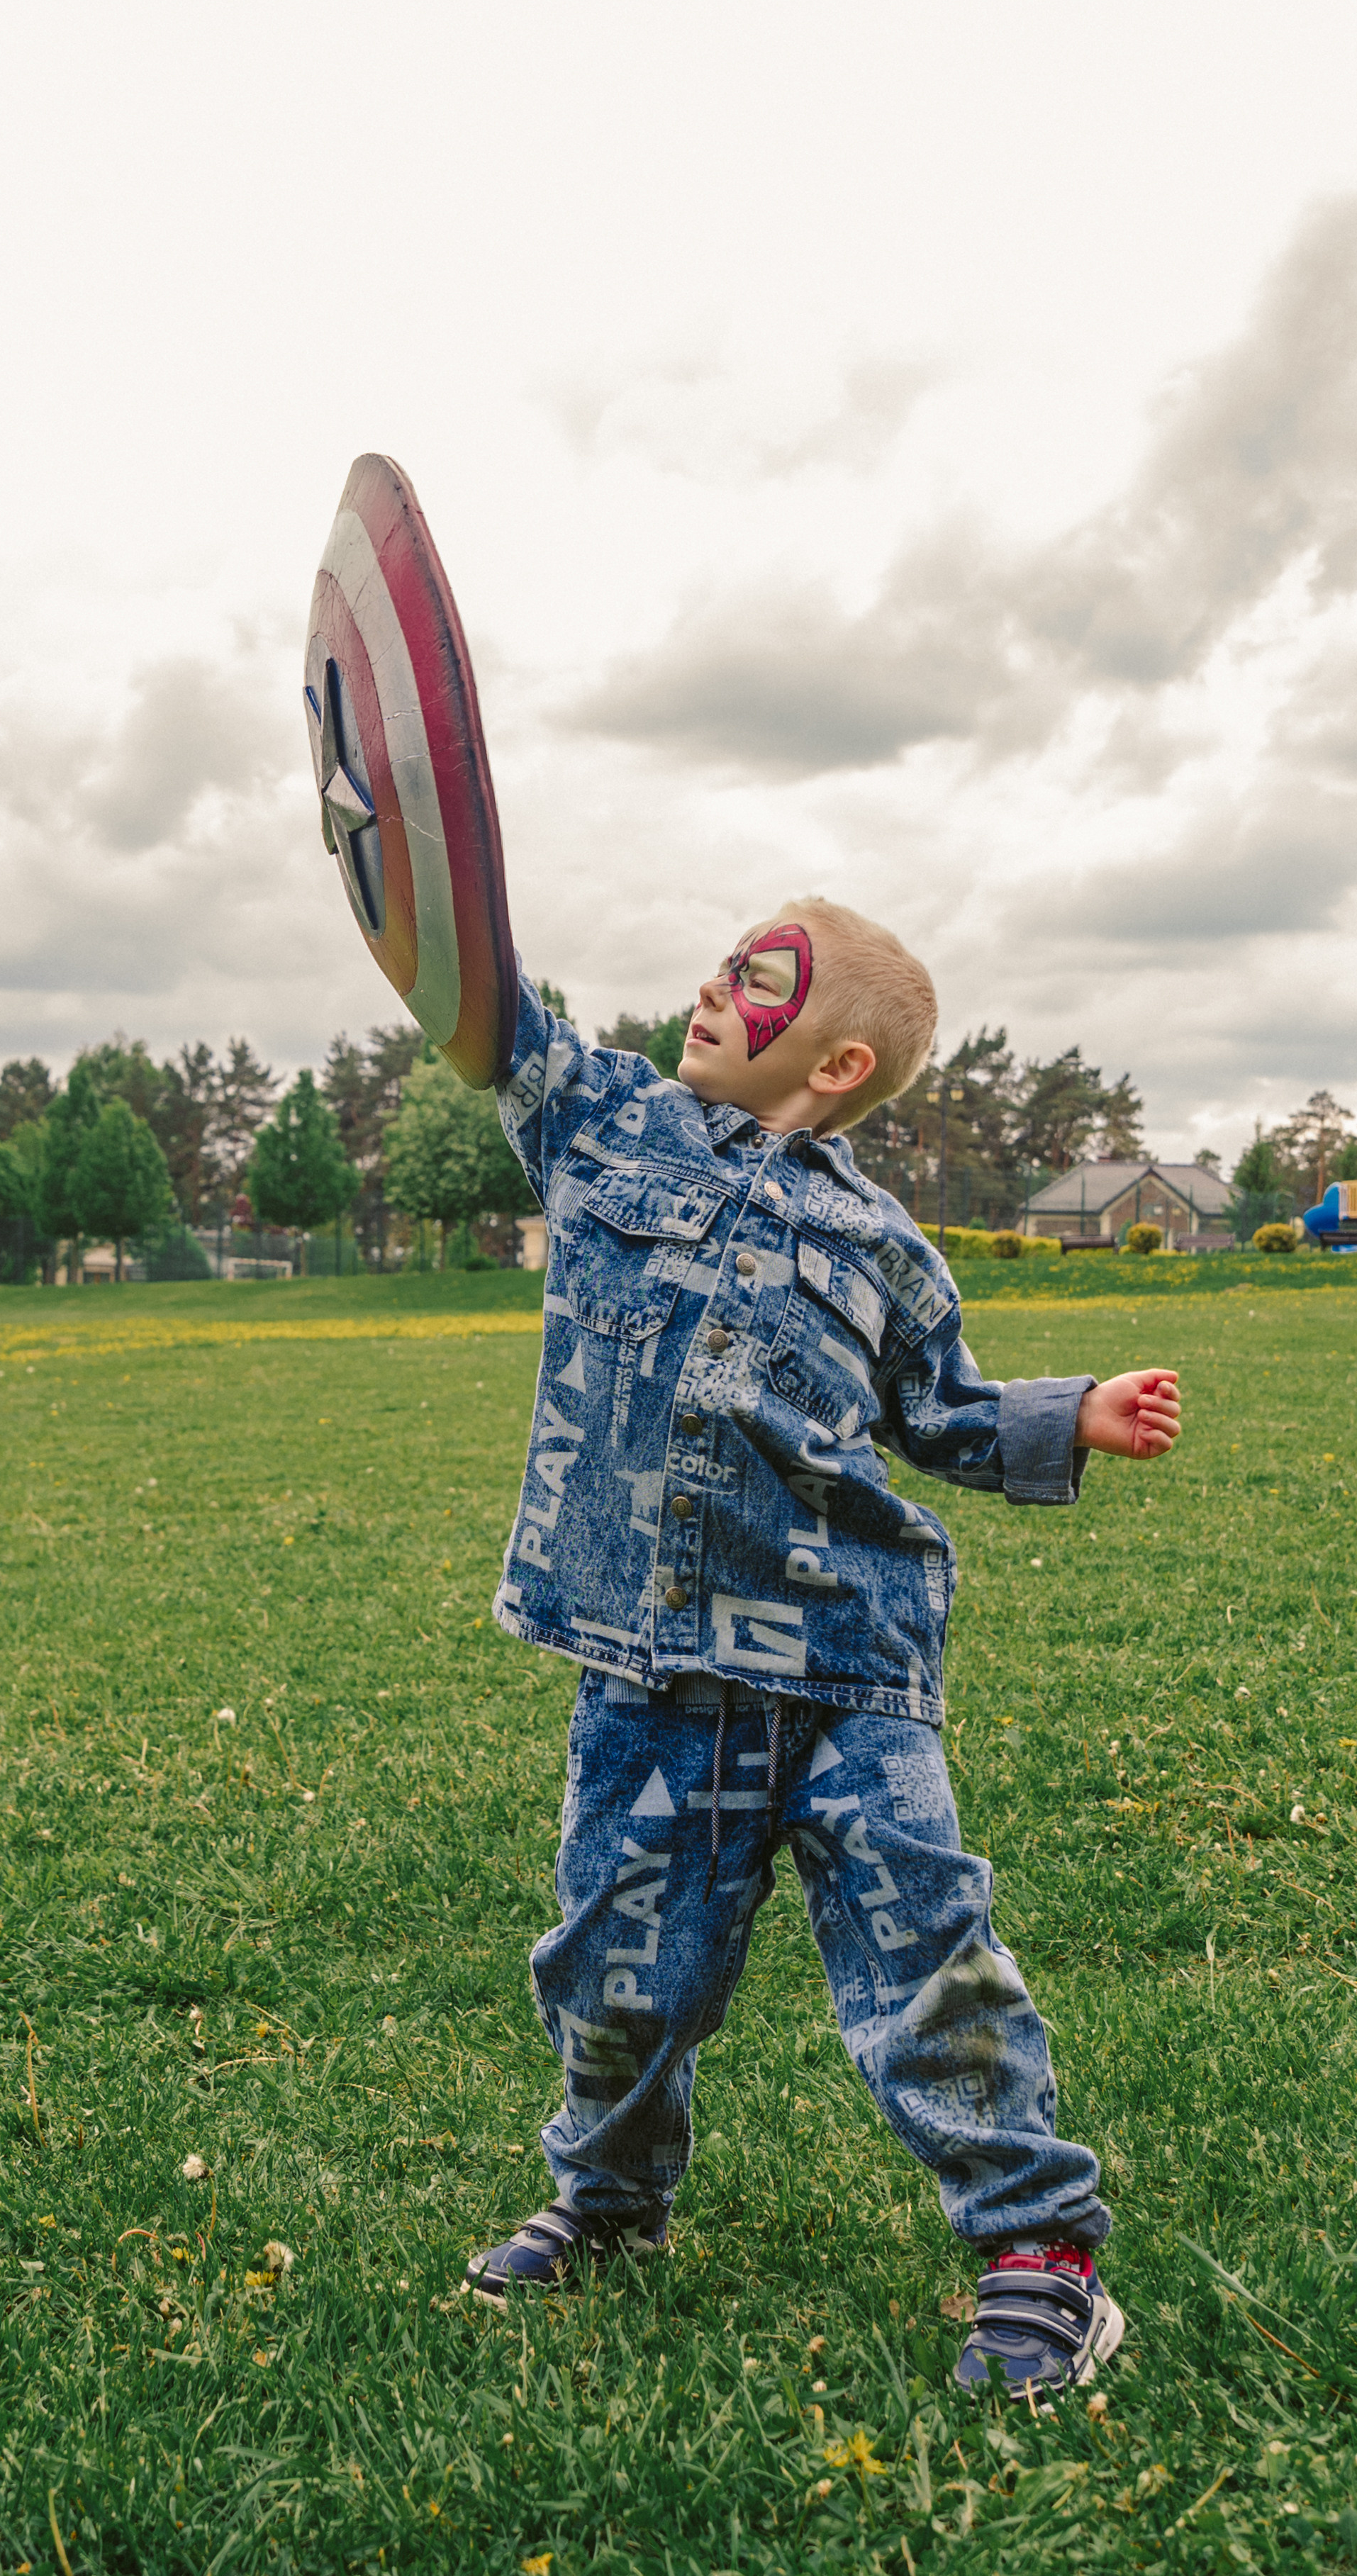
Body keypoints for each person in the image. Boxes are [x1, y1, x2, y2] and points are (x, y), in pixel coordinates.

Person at [464, 895, 1180, 2403]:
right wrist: (416, 826)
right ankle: (608, 2203)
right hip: (654, 1667)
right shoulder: (604, 1126)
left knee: (928, 1958)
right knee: (617, 1975)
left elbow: (944, 1413)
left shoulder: (886, 1248)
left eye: (758, 979)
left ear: (839, 1062)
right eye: (723, 959)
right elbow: (487, 1002)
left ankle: (1041, 2253)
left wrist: (1077, 1416)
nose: (713, 986)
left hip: (850, 1662)